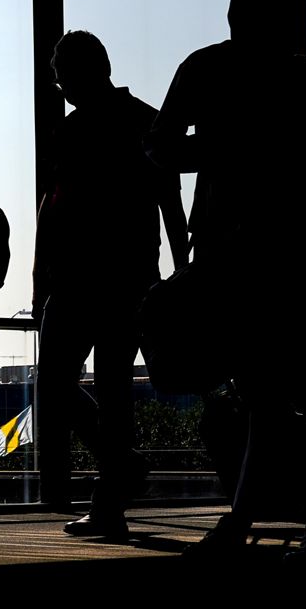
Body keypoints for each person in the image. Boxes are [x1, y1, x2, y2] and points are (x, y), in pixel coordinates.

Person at [147, 0, 306, 562]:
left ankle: (264, 523)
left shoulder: (206, 68)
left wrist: (212, 149)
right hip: (288, 252)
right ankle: (295, 521)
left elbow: (160, 147)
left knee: (267, 394)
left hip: (236, 251)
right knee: (275, 394)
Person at [32, 31, 189, 537]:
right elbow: (170, 200)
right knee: (112, 385)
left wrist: (41, 280)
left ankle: (111, 480)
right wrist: (181, 265)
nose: (59, 87)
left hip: (79, 278)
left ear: (78, 72)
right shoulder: (142, 119)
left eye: (60, 76)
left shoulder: (71, 131)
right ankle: (113, 488)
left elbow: (52, 211)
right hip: (128, 275)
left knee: (56, 384)